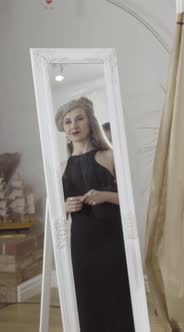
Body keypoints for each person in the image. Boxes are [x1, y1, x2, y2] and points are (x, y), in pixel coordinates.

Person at [56, 97, 134, 331]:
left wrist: (105, 196)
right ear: (64, 130)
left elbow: (131, 201)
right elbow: (59, 211)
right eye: (68, 121)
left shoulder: (110, 156)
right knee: (87, 295)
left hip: (112, 238)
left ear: (91, 122)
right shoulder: (62, 167)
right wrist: (66, 207)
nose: (73, 125)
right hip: (82, 240)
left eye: (79, 118)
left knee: (116, 293)